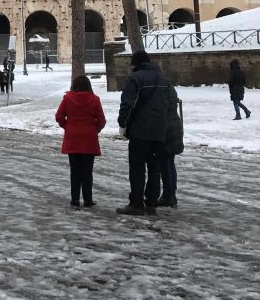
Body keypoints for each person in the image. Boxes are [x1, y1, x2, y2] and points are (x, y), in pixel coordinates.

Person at [116, 50, 174, 216]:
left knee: (137, 168)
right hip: (159, 131)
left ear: (135, 64)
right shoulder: (163, 80)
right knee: (155, 169)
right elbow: (170, 105)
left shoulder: (135, 79)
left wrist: (123, 123)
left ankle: (136, 203)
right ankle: (151, 202)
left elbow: (128, 103)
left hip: (140, 131)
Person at [56, 75, 106, 208]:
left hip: (73, 138)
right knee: (87, 171)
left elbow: (59, 116)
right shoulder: (95, 100)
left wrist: (67, 126)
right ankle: (88, 199)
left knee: (75, 170)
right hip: (89, 138)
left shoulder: (67, 98)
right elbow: (101, 121)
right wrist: (94, 129)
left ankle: (75, 199)